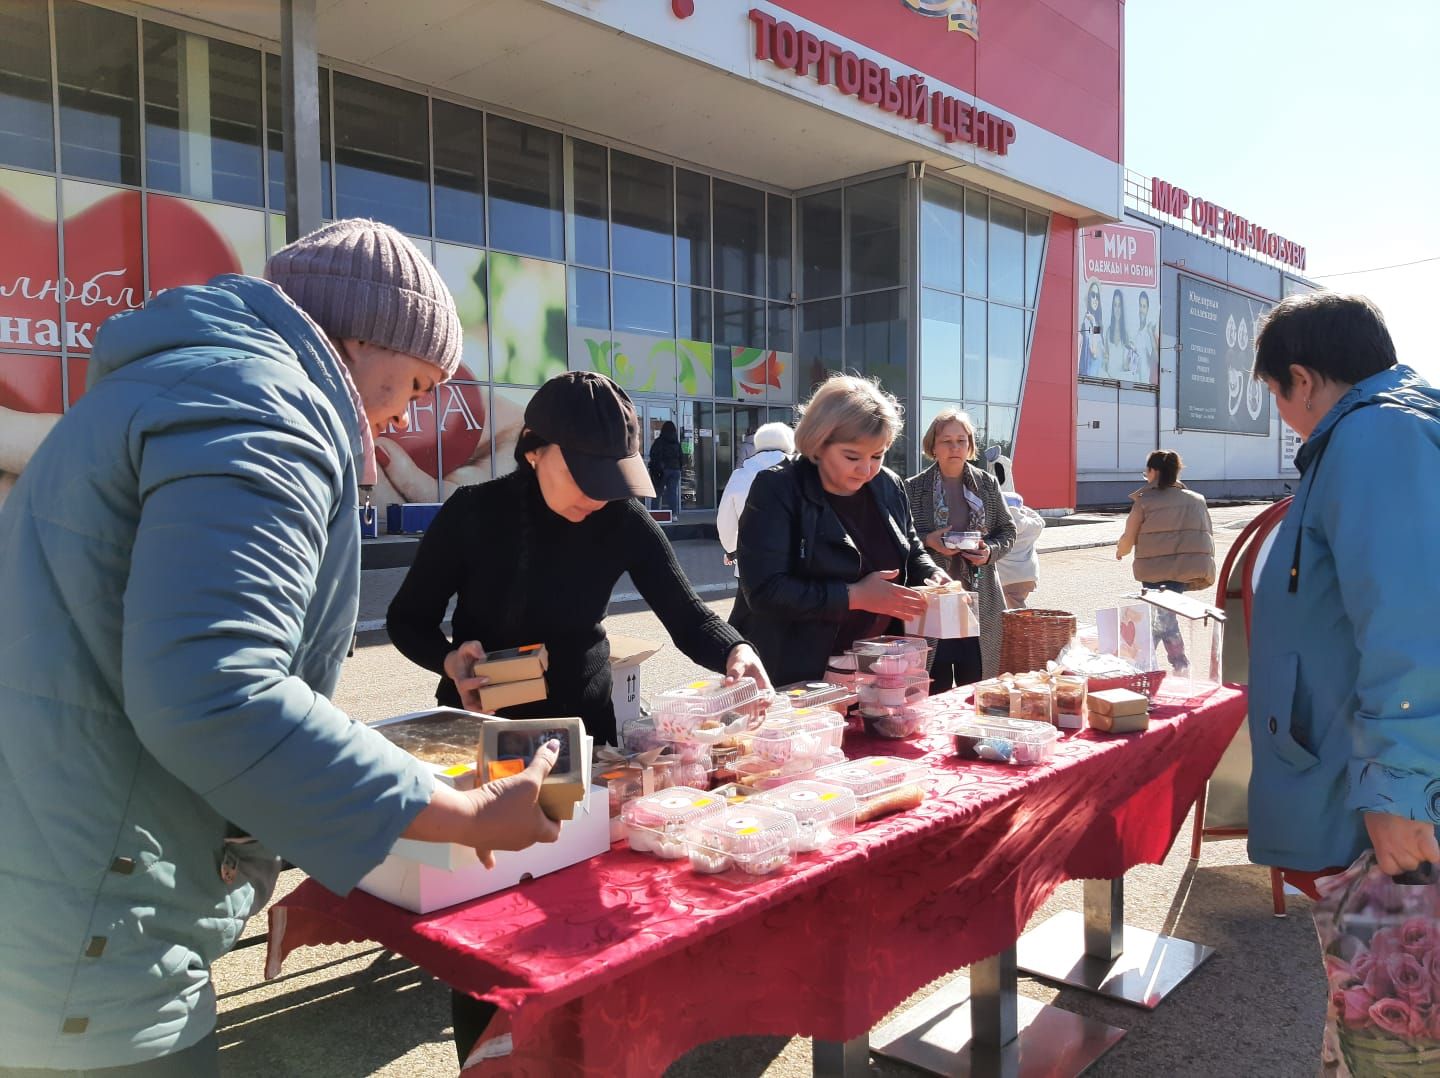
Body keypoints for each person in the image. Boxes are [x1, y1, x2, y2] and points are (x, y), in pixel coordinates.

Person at [0, 220, 564, 1075]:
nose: (405, 416)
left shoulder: (176, 383)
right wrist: (466, 814)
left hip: (54, 852)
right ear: (364, 335)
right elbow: (216, 692)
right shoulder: (267, 407)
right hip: (96, 912)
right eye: (412, 384)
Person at [1246, 292, 1440, 1065]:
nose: (1283, 415)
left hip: (1381, 805)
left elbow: (1408, 621)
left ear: (1301, 377)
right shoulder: (1392, 426)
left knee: (1393, 1025)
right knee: (1374, 1019)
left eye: (1275, 397)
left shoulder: (1374, 437)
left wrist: (1397, 788)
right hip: (1365, 774)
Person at [387, 370, 768, 750]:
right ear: (533, 450)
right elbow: (408, 619)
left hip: (584, 733)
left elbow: (688, 616)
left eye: (611, 478)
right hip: (478, 731)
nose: (596, 496)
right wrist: (450, 661)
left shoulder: (623, 517)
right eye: (583, 475)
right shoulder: (472, 512)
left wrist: (737, 650)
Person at [729, 375, 947, 687]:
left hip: (881, 668)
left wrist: (931, 574)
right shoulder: (777, 488)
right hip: (797, 673)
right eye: (852, 456)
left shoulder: (888, 485)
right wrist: (854, 596)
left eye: (878, 455)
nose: (867, 469)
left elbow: (910, 548)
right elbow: (765, 592)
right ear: (818, 443)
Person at [905, 411, 1015, 688]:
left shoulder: (987, 484)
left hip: (979, 602)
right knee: (934, 686)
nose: (955, 447)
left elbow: (1008, 530)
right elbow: (900, 538)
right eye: (946, 441)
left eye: (961, 440)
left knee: (977, 687)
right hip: (934, 603)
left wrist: (989, 551)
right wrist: (929, 540)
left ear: (970, 446)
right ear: (933, 446)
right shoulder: (912, 488)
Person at [1114, 449, 1215, 674]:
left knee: (1162, 617)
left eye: (1146, 471)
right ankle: (1149, 662)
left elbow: (1130, 534)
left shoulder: (1145, 501)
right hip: (1182, 572)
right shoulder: (1196, 500)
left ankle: (1173, 663)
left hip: (1153, 571)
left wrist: (1122, 550)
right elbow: (1205, 535)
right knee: (1162, 616)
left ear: (1154, 471)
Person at [717, 421, 794, 576]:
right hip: (793, 564)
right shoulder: (801, 473)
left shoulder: (740, 475)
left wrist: (732, 550)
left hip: (750, 563)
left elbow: (725, 520)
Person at [997, 490, 1046, 610]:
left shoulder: (997, 526)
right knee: (1015, 606)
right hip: (1027, 576)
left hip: (1005, 577)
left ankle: (1025, 628)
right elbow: (1040, 520)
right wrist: (1024, 509)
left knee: (1014, 611)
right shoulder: (1031, 524)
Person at [648, 418, 684, 516]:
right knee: (672, 493)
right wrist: (679, 468)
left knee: (658, 493)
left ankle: (654, 515)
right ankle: (674, 515)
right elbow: (681, 457)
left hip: (663, 470)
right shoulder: (676, 443)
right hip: (675, 470)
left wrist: (657, 466)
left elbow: (653, 454)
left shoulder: (659, 441)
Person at [1081, 280, 1107, 378]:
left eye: (1098, 296)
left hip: (1099, 378)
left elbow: (1102, 354)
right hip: (1091, 378)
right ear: (1089, 297)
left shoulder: (1096, 322)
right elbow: (1094, 352)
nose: (1095, 299)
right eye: (1093, 295)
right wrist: (1094, 322)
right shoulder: (1087, 322)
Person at [1105, 288, 1132, 379]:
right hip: (1108, 379)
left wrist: (1128, 362)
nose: (1117, 309)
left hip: (1120, 381)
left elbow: (1126, 365)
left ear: (1122, 308)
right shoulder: (1108, 332)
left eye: (1119, 305)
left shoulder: (1126, 334)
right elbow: (1106, 358)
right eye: (1115, 305)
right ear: (1112, 307)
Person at [1133, 289, 1159, 384]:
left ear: (1147, 309)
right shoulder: (1135, 334)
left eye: (1144, 306)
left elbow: (1156, 358)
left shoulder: (1148, 334)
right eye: (1140, 305)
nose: (1141, 310)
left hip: (1145, 386)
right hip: (1134, 384)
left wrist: (1150, 333)